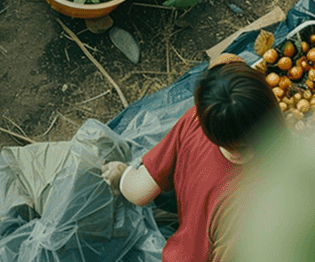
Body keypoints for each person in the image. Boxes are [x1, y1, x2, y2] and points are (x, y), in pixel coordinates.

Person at [101, 56, 278, 262]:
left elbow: (140, 192)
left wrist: (122, 174)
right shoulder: (253, 202)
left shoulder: (194, 121)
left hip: (184, 247)